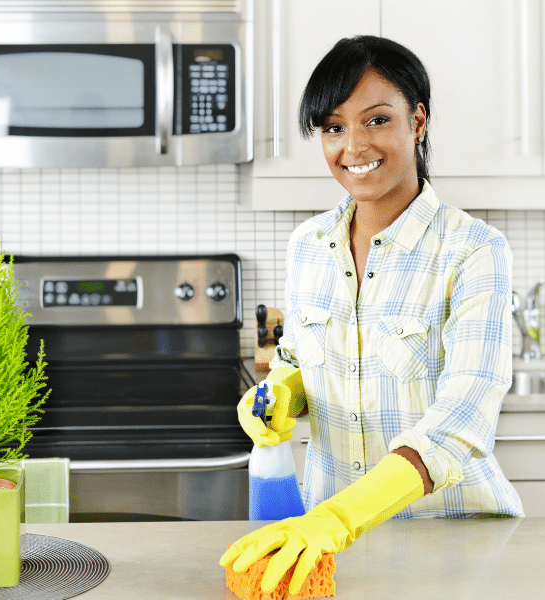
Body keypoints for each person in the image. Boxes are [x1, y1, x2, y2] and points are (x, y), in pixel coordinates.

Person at [221, 35, 523, 595]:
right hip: (326, 548)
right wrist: (283, 395)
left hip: (453, 538)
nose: (353, 145)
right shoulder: (307, 244)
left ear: (419, 121)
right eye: (333, 127)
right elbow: (296, 359)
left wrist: (340, 517)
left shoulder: (473, 250)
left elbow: (461, 418)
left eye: (377, 119)